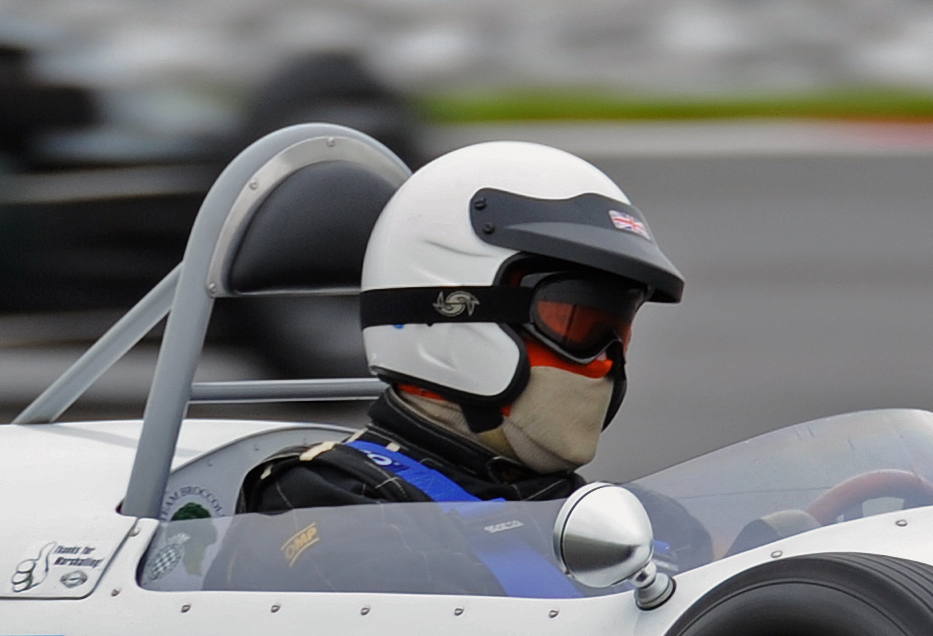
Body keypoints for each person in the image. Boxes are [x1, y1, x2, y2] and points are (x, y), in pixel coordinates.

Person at [217, 142, 684, 593]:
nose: (606, 361)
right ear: (454, 313)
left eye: (618, 332)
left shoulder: (603, 512)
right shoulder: (328, 507)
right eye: (576, 323)